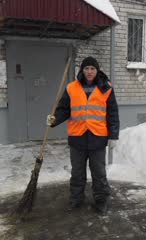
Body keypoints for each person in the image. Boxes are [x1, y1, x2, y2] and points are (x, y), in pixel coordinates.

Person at [46, 56, 120, 215]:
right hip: (77, 138)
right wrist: (54, 120)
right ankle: (76, 200)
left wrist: (113, 135)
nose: (89, 71)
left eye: (92, 68)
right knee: (77, 172)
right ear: (82, 70)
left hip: (97, 138)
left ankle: (102, 201)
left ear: (97, 70)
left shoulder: (106, 88)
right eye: (86, 68)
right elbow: (63, 109)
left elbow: (112, 113)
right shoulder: (71, 87)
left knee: (99, 173)